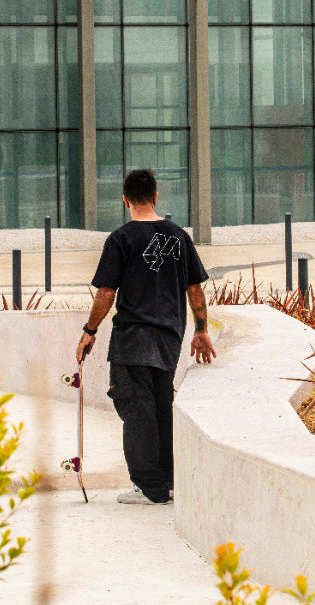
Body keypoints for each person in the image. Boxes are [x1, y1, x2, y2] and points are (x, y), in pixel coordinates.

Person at [75, 168, 216, 505]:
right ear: (155, 197)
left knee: (136, 413)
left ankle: (148, 488)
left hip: (133, 341)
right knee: (160, 409)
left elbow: (106, 295)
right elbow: (194, 290)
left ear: (125, 201)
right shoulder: (178, 236)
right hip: (168, 339)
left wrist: (89, 331)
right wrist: (201, 330)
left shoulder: (121, 239)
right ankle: (167, 483)